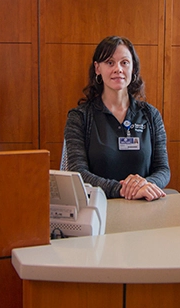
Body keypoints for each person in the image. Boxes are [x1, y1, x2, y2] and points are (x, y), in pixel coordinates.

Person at [62, 36, 170, 201]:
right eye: (110, 62)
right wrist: (121, 189)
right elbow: (78, 173)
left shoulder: (150, 115)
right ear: (97, 68)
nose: (118, 69)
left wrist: (145, 185)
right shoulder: (80, 117)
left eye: (124, 62)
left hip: (145, 206)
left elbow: (163, 170)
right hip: (98, 208)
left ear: (133, 68)